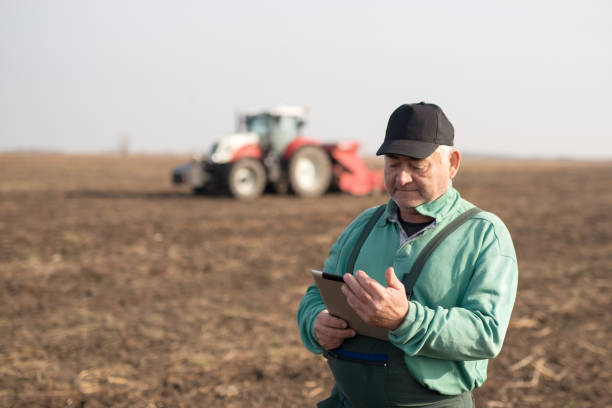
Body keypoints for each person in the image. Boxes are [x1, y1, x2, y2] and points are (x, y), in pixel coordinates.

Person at [297, 102, 518, 408]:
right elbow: (315, 295)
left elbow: (486, 332)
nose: (401, 178)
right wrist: (315, 323)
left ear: (452, 163)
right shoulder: (363, 226)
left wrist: (404, 319)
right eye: (393, 164)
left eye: (416, 165)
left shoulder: (484, 235)